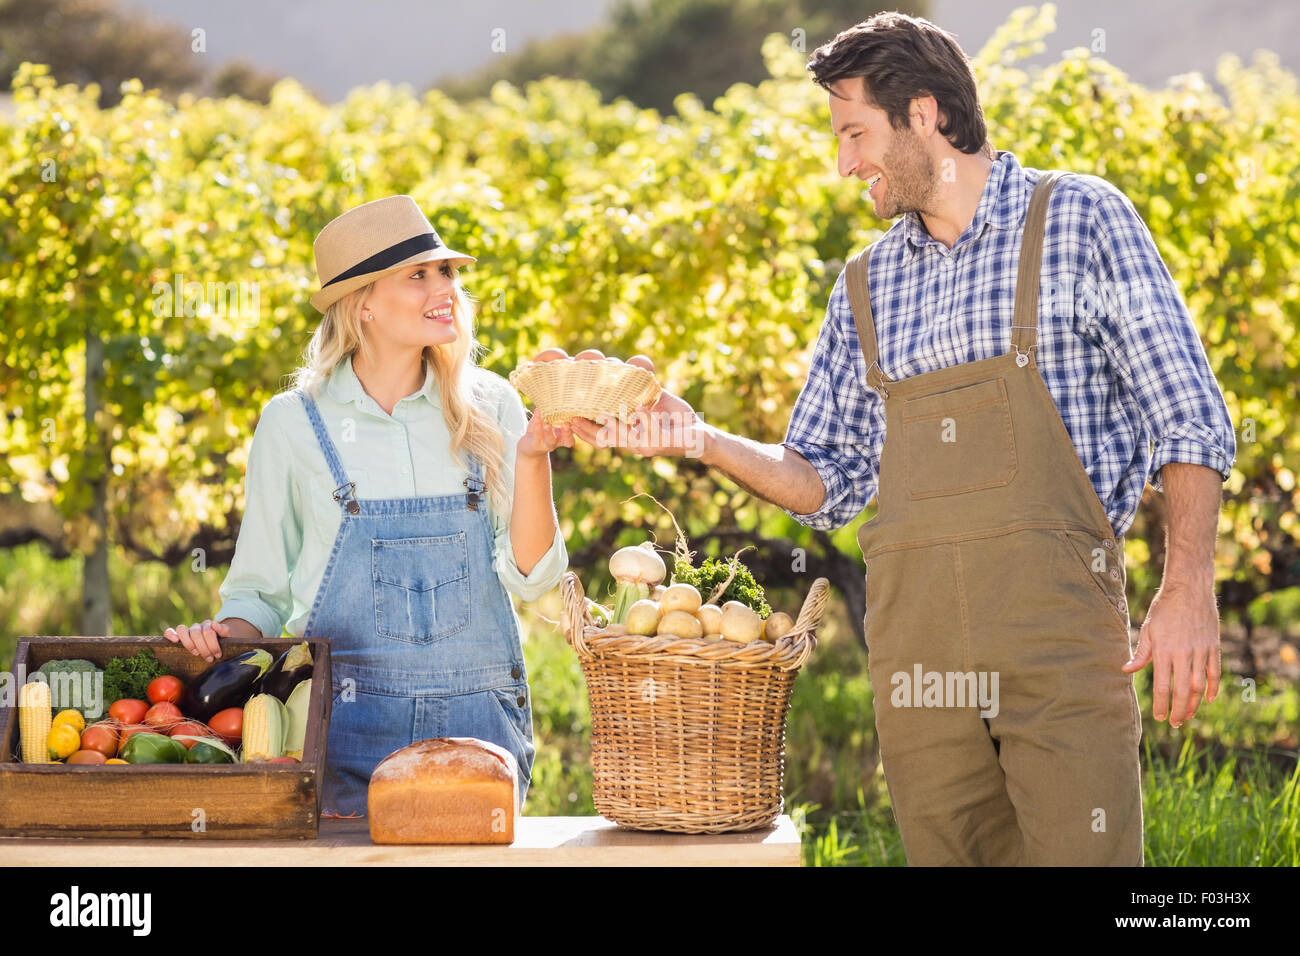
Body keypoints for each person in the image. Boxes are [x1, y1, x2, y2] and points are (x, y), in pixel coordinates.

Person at [566, 13, 1236, 865]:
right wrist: (699, 438)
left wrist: (1187, 588)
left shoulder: (1079, 221)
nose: (845, 164)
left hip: (1060, 646)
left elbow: (1189, 411)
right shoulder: (864, 285)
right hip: (920, 665)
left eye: (855, 134)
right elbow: (824, 481)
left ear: (924, 115)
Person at [164, 194, 571, 815]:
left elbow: (534, 576)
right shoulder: (295, 423)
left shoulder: (491, 406)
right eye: (418, 274)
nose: (446, 289)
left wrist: (535, 457)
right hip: (340, 730)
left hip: (478, 729)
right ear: (364, 305)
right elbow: (260, 595)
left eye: (448, 272)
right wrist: (218, 640)